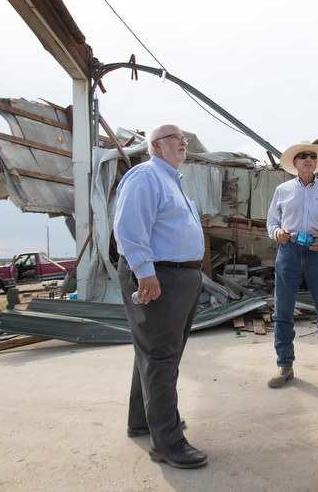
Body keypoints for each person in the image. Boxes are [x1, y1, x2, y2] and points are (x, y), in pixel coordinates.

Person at [113, 123, 208, 469]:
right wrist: (145, 271)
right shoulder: (146, 175)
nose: (184, 141)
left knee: (156, 355)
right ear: (155, 145)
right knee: (161, 356)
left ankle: (144, 422)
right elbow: (129, 227)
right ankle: (166, 443)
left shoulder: (172, 181)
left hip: (179, 276)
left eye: (184, 137)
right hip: (160, 275)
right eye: (176, 137)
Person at [266, 142, 318, 389]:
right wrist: (277, 233)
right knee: (282, 311)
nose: (308, 159)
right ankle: (285, 366)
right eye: (302, 156)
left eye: (312, 156)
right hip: (289, 251)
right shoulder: (282, 190)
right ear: (295, 163)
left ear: (316, 162)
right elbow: (271, 222)